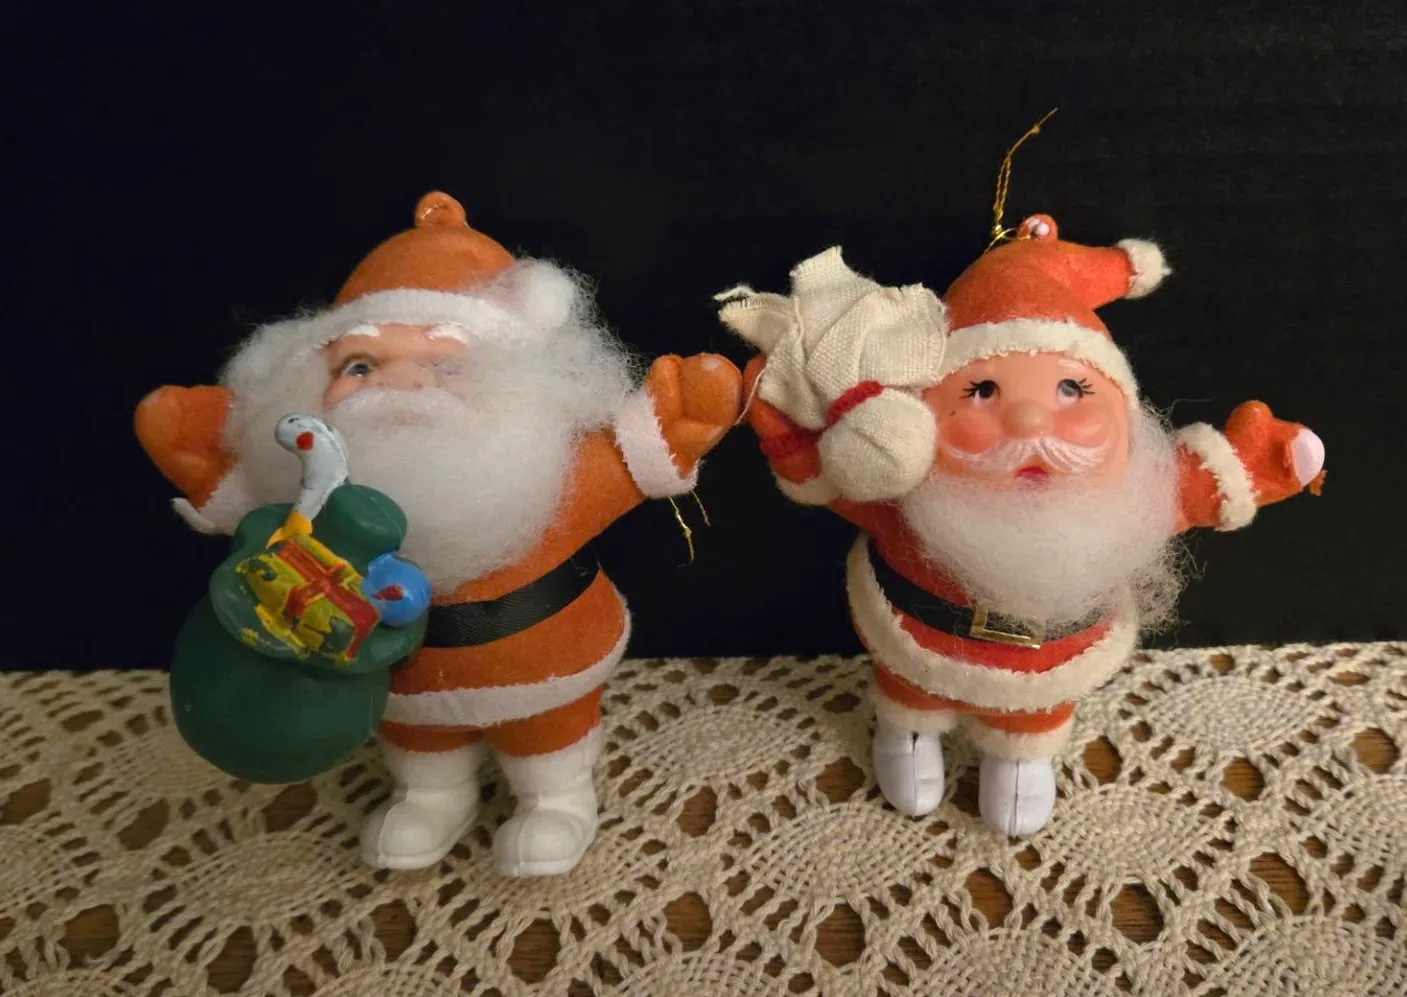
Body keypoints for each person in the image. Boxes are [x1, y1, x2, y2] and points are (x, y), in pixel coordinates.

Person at [137, 192, 742, 876]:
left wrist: (669, 428)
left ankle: (555, 799)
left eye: (447, 363)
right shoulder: (301, 482)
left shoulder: (544, 468)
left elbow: (627, 464)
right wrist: (214, 469)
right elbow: (260, 525)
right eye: (359, 364)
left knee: (547, 740)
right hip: (395, 682)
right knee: (420, 748)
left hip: (540, 667)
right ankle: (430, 796)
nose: (400, 381)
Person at [723, 214, 1325, 836]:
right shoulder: (908, 493)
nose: (1030, 422)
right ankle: (907, 732)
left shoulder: (1135, 498)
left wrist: (1258, 464)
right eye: (982, 391)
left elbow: (1203, 486)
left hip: (1049, 669)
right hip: (915, 648)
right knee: (910, 692)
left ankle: (1019, 757)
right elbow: (831, 482)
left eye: (1072, 389)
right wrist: (789, 435)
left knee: (1033, 716)